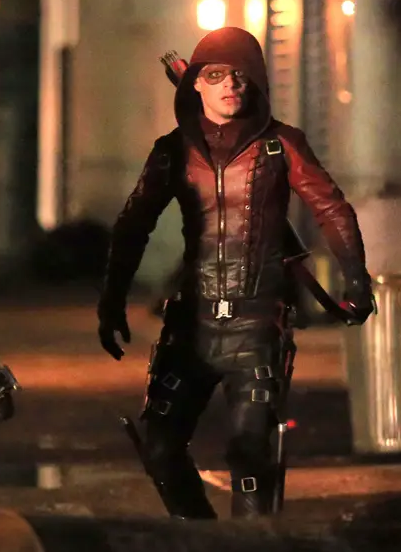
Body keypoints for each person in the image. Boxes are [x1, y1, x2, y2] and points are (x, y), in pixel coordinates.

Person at [97, 27, 373, 520]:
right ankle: (207, 545)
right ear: (195, 84)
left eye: (240, 75)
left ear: (256, 82)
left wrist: (356, 281)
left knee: (250, 460)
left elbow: (331, 209)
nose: (229, 84)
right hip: (191, 325)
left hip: (257, 324)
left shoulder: (281, 145)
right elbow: (134, 223)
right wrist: (111, 299)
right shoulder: (173, 150)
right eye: (216, 75)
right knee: (160, 449)